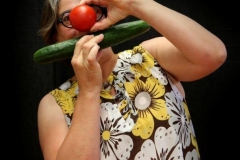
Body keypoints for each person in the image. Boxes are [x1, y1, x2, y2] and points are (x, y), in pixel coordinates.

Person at [37, 0, 227, 159]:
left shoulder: (150, 57)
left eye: (91, 11)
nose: (84, 23)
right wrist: (88, 91)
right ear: (56, 37)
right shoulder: (53, 105)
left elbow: (214, 55)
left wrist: (133, 3)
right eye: (69, 18)